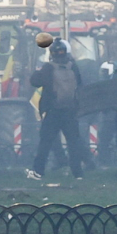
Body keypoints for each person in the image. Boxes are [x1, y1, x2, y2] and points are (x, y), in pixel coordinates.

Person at [25, 39, 88, 181]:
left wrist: (38, 70)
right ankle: (78, 173)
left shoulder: (48, 68)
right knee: (73, 142)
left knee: (45, 142)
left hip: (53, 111)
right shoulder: (73, 67)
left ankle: (38, 172)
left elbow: (35, 81)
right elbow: (80, 85)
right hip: (70, 111)